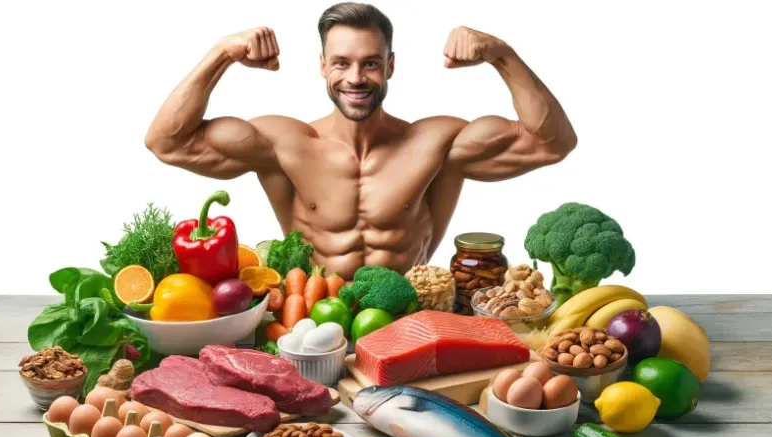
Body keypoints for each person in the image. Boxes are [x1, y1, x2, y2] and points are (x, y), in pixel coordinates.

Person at [145, 2, 577, 280]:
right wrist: (221, 53)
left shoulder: (435, 143)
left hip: (409, 315)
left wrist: (502, 53)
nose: (355, 78)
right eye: (342, 63)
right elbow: (168, 142)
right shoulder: (283, 144)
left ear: (391, 66)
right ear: (322, 67)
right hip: (310, 319)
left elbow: (550, 143)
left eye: (370, 63)